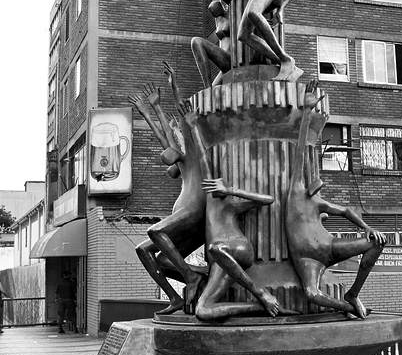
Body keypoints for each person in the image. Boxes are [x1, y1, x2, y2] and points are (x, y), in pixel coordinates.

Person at [179, 99, 291, 320]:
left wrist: (231, 189)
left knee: (214, 249)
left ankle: (260, 292)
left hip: (238, 249)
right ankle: (259, 308)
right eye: (215, 184)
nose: (216, 185)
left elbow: (268, 199)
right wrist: (192, 126)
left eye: (219, 183)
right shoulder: (211, 197)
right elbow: (203, 159)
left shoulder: (232, 204)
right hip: (221, 258)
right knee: (203, 311)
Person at [286, 81, 386, 319]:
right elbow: (300, 150)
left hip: (330, 247)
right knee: (312, 293)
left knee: (377, 242)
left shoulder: (319, 202)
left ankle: (353, 293)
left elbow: (348, 211)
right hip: (308, 257)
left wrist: (368, 227)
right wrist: (307, 111)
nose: (318, 185)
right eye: (316, 182)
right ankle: (348, 306)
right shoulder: (295, 191)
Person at [128, 70, 207, 314]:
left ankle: (192, 278)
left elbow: (180, 116)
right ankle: (178, 295)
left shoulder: (193, 151)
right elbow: (166, 142)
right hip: (186, 219)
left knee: (154, 231)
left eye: (176, 134)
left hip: (194, 212)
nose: (171, 141)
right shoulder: (181, 161)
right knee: (151, 254)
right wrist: (148, 112)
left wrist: (172, 90)